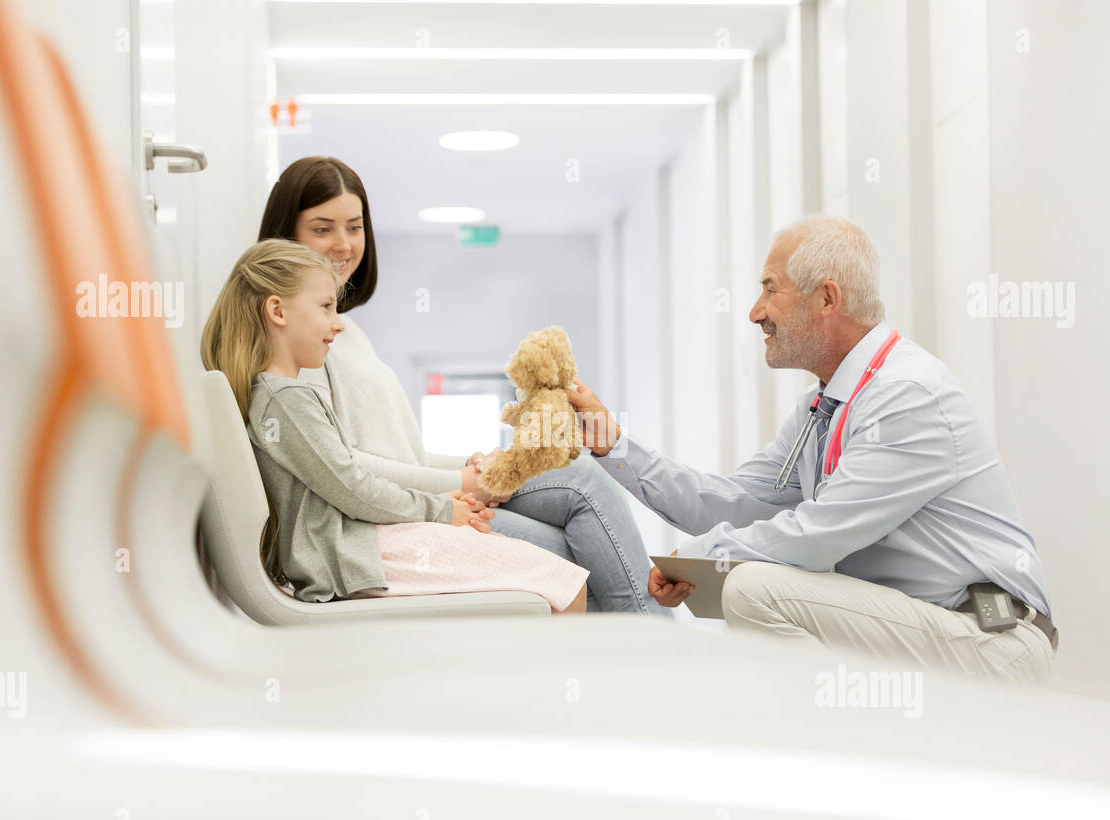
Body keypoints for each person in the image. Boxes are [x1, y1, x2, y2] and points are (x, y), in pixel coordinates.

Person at [568, 215, 1058, 682]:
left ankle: (831, 754)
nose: (755, 312)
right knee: (745, 592)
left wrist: (705, 555)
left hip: (992, 641)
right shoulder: (822, 406)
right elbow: (734, 503)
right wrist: (614, 446)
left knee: (752, 589)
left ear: (827, 298)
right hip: (931, 630)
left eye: (769, 289)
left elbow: (819, 535)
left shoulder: (907, 394)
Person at [257, 156, 666, 615]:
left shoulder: (346, 332)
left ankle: (646, 640)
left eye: (354, 227)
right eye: (322, 228)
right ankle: (651, 642)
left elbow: (397, 451)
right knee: (573, 534)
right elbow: (346, 469)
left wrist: (471, 466)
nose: (344, 244)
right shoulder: (301, 343)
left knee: (580, 489)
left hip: (419, 498)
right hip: (388, 523)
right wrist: (465, 482)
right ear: (285, 237)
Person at [200, 238, 588, 614]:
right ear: (278, 311)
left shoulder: (281, 396)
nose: (337, 326)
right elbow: (351, 487)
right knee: (564, 583)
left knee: (556, 577)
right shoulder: (286, 400)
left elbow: (344, 487)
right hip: (353, 559)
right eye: (325, 307)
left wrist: (444, 504)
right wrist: (440, 511)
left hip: (359, 550)